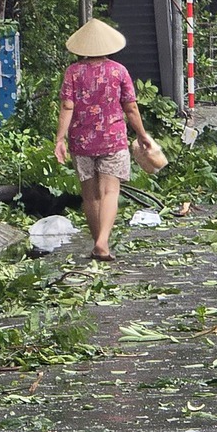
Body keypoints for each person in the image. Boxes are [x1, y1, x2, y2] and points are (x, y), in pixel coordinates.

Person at [54, 19, 153, 262]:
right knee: (110, 191)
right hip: (112, 139)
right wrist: (142, 135)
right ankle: (103, 242)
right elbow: (130, 108)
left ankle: (99, 243)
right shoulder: (119, 71)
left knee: (90, 195)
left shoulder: (73, 72)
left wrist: (60, 139)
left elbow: (67, 106)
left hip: (81, 141)